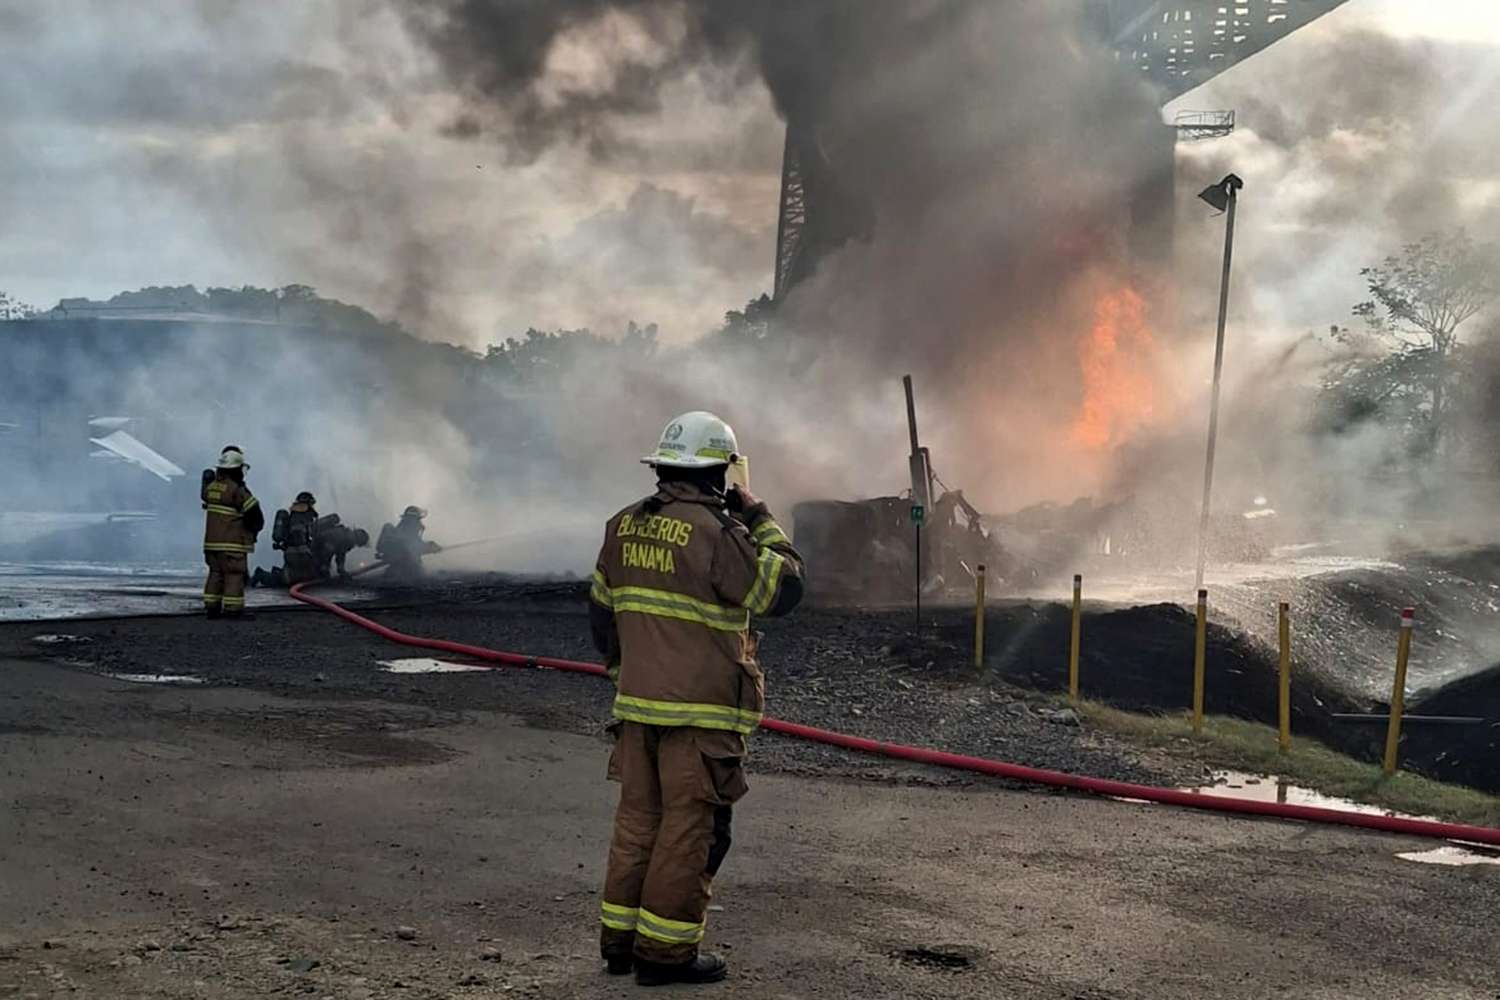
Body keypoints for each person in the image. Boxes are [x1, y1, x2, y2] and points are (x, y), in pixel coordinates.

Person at [590, 411, 804, 986]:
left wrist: (627, 677)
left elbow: (602, 616)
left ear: (661, 466)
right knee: (691, 833)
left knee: (638, 824)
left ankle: (620, 945)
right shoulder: (718, 535)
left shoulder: (622, 526)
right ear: (718, 475)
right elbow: (784, 588)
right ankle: (664, 957)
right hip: (700, 716)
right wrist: (760, 518)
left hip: (636, 710)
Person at [201, 446, 263, 619]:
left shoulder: (211, 488)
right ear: (236, 470)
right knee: (234, 575)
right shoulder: (236, 490)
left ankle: (212, 609)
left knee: (215, 574)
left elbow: (205, 496)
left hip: (211, 544)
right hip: (232, 543)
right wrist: (254, 529)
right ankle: (233, 610)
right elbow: (255, 514)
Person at [251, 491, 321, 588]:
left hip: (296, 554)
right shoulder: (300, 518)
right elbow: (299, 539)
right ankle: (261, 575)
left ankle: (280, 573)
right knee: (288, 581)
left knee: (304, 577)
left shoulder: (299, 516)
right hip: (298, 555)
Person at [375, 505, 441, 580]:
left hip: (402, 570)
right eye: (418, 520)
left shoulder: (400, 531)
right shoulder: (404, 531)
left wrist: (431, 546)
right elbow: (413, 545)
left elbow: (415, 545)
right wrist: (430, 546)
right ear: (413, 519)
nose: (419, 523)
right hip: (408, 571)